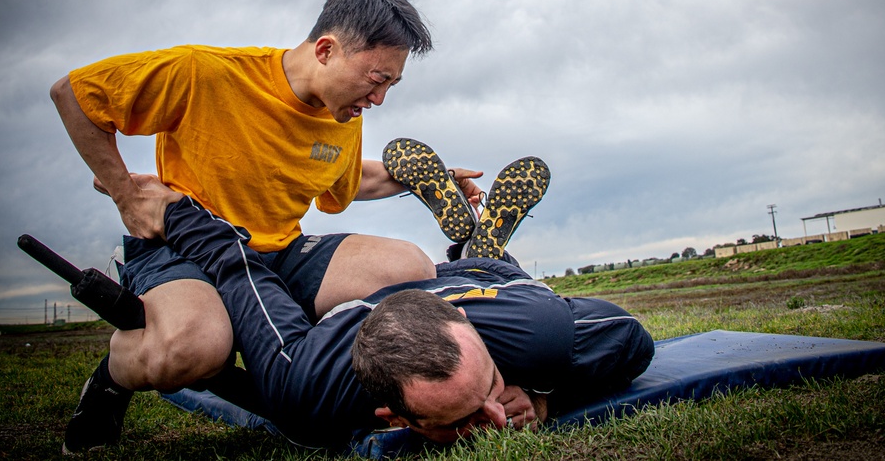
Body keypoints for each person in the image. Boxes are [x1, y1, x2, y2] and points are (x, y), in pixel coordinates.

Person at [51, 0, 483, 450]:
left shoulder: (345, 117)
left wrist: (427, 178)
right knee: (194, 349)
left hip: (276, 254)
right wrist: (125, 196)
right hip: (182, 247)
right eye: (377, 79)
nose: (379, 99)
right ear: (325, 50)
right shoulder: (205, 73)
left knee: (409, 267)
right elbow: (73, 96)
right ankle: (114, 374)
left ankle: (332, 381)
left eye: (391, 85)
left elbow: (345, 179)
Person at [122, 174, 655, 451]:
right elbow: (238, 269)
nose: (495, 415)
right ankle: (479, 254)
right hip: (335, 326)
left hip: (478, 292)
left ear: (467, 331)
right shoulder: (306, 384)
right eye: (463, 419)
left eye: (489, 387)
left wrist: (541, 393)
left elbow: (628, 335)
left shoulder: (534, 336)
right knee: (206, 348)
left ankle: (482, 255)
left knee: (498, 276)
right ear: (395, 419)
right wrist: (173, 213)